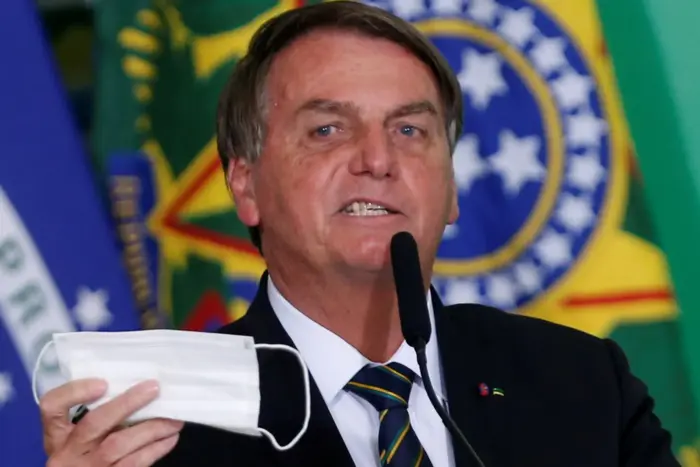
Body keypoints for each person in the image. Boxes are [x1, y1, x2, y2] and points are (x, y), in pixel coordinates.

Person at [39, 2, 680, 466]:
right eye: (327, 130)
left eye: (409, 130)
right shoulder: (156, 425)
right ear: (245, 185)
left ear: (451, 190)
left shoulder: (582, 386)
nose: (378, 159)